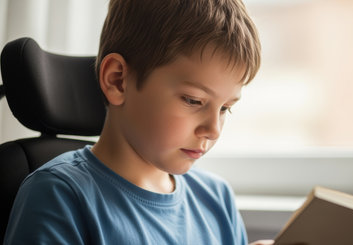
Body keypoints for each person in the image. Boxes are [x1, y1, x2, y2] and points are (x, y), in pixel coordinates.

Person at [4, 0, 274, 244]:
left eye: (226, 108)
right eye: (193, 100)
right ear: (118, 81)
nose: (213, 130)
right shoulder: (59, 197)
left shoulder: (217, 199)